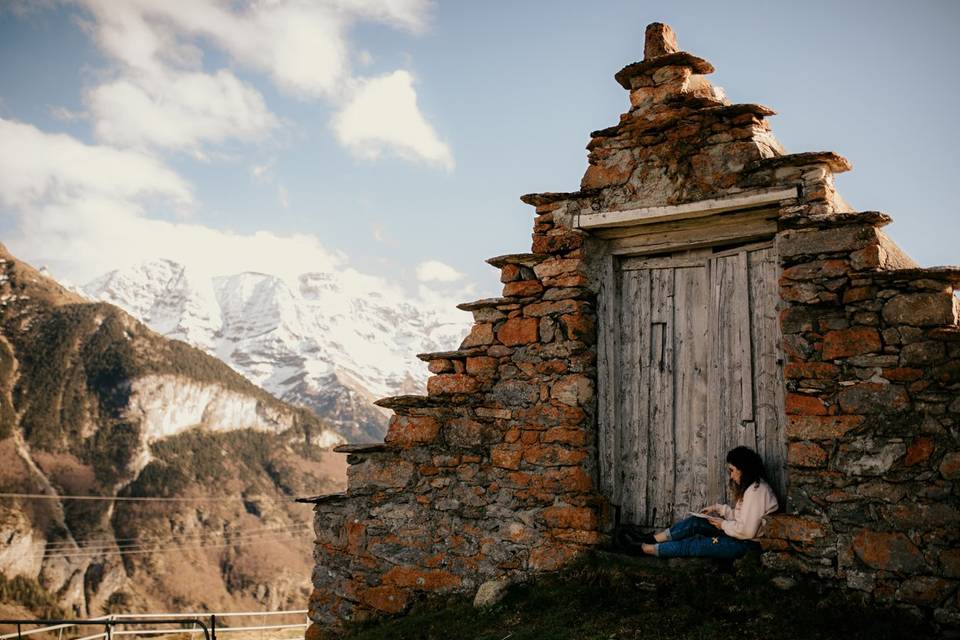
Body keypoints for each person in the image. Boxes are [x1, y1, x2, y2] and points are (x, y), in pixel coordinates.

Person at [638, 446, 779, 559]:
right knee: (695, 522)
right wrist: (718, 509)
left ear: (743, 469)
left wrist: (723, 524)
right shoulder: (751, 488)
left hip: (748, 545)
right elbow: (741, 518)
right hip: (740, 537)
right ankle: (652, 539)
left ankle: (646, 549)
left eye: (732, 470)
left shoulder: (757, 491)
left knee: (697, 545)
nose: (731, 476)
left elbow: (747, 531)